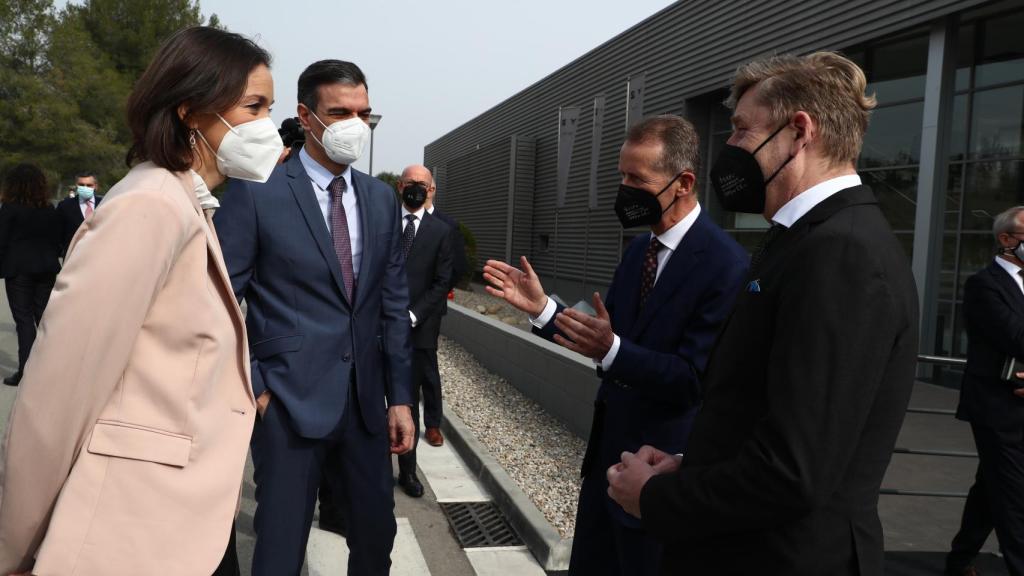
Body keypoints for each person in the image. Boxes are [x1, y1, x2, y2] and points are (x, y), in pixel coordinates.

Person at [607, 52, 919, 575]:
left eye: (740, 130)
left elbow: (793, 470)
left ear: (799, 132)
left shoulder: (841, 254)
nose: (727, 148)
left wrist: (659, 498)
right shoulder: (805, 240)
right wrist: (688, 467)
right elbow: (766, 415)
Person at [0, 26, 281, 576]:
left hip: (180, 519)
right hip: (134, 529)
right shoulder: (149, 206)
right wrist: (15, 545)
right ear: (190, 110)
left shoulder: (184, 204)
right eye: (255, 106)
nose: (268, 126)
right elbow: (59, 391)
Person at [484, 114, 749, 576]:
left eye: (635, 178)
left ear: (683, 182)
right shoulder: (637, 252)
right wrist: (543, 309)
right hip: (605, 469)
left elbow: (691, 379)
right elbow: (606, 340)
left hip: (660, 476)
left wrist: (612, 350)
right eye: (620, 175)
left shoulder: (726, 266)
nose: (623, 189)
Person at [214, 59, 415, 576]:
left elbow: (393, 304)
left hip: (366, 406)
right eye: (339, 112)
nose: (354, 125)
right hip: (288, 406)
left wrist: (402, 399)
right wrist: (257, 384)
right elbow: (216, 301)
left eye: (363, 114)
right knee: (280, 544)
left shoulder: (380, 199)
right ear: (306, 116)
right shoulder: (258, 191)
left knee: (376, 536)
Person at [946, 206, 1024, 576]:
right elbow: (1015, 337)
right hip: (997, 408)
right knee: (1014, 496)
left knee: (991, 489)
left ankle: (959, 560)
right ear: (1006, 239)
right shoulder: (984, 285)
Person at [394, 164, 453, 495]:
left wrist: (413, 315)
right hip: (378, 328)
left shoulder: (440, 232)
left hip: (416, 331)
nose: (416, 188)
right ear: (400, 186)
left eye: (423, 184)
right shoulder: (384, 224)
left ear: (431, 190)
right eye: (410, 183)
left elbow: (442, 281)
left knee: (407, 402)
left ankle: (408, 473)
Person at [0, 164, 62, 386]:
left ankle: (26, 371)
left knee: (24, 321)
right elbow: (57, 241)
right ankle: (52, 369)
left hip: (19, 271)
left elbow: (2, 241)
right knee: (44, 319)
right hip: (46, 268)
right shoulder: (49, 210)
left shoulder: (9, 209)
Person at [56, 171, 103, 255]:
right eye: (81, 185)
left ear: (96, 186)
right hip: (73, 256)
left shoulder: (104, 204)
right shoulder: (65, 206)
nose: (85, 188)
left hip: (98, 254)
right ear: (76, 185)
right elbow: (58, 234)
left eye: (89, 185)